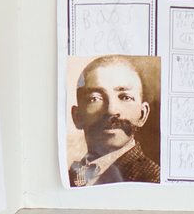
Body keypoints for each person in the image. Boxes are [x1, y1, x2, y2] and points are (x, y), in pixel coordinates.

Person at [68, 55, 159, 186]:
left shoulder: (153, 179)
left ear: (142, 114)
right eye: (95, 99)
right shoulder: (69, 177)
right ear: (77, 117)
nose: (111, 110)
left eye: (125, 97)